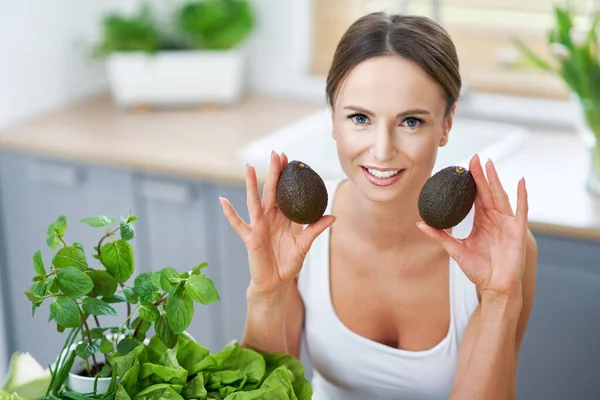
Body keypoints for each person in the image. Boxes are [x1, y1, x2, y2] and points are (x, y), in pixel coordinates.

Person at [219, 11, 537, 400]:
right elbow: (268, 392)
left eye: (411, 122)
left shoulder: (496, 251)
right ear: (333, 119)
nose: (383, 150)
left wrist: (500, 300)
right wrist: (268, 292)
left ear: (447, 124)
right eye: (360, 118)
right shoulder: (300, 232)